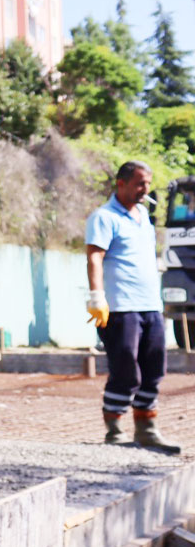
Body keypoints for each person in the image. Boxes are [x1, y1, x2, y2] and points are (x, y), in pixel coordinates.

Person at [86, 160, 178, 453]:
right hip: (121, 307)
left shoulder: (143, 217)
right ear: (121, 183)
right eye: (139, 183)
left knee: (154, 369)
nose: (145, 189)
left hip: (150, 305)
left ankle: (147, 429)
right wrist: (97, 297)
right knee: (126, 369)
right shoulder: (104, 217)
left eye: (148, 184)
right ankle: (114, 430)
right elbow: (95, 257)